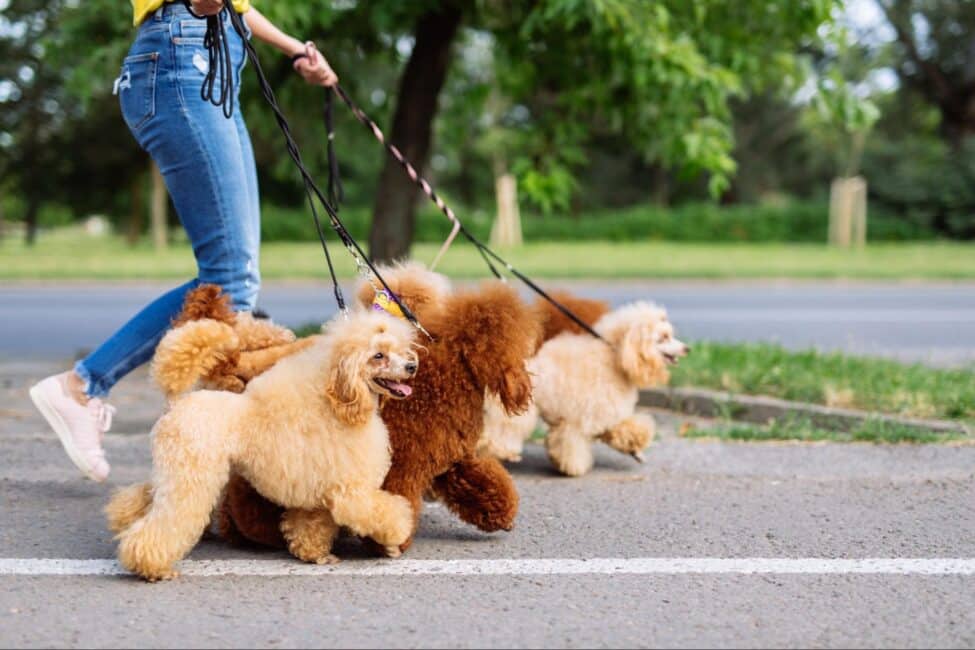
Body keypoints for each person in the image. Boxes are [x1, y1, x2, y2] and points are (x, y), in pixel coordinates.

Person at [29, 0, 338, 482]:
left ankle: (219, 449)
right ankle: (85, 387)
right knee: (228, 279)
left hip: (213, 61)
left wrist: (297, 49)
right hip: (181, 56)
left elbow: (239, 6)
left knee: (237, 281)